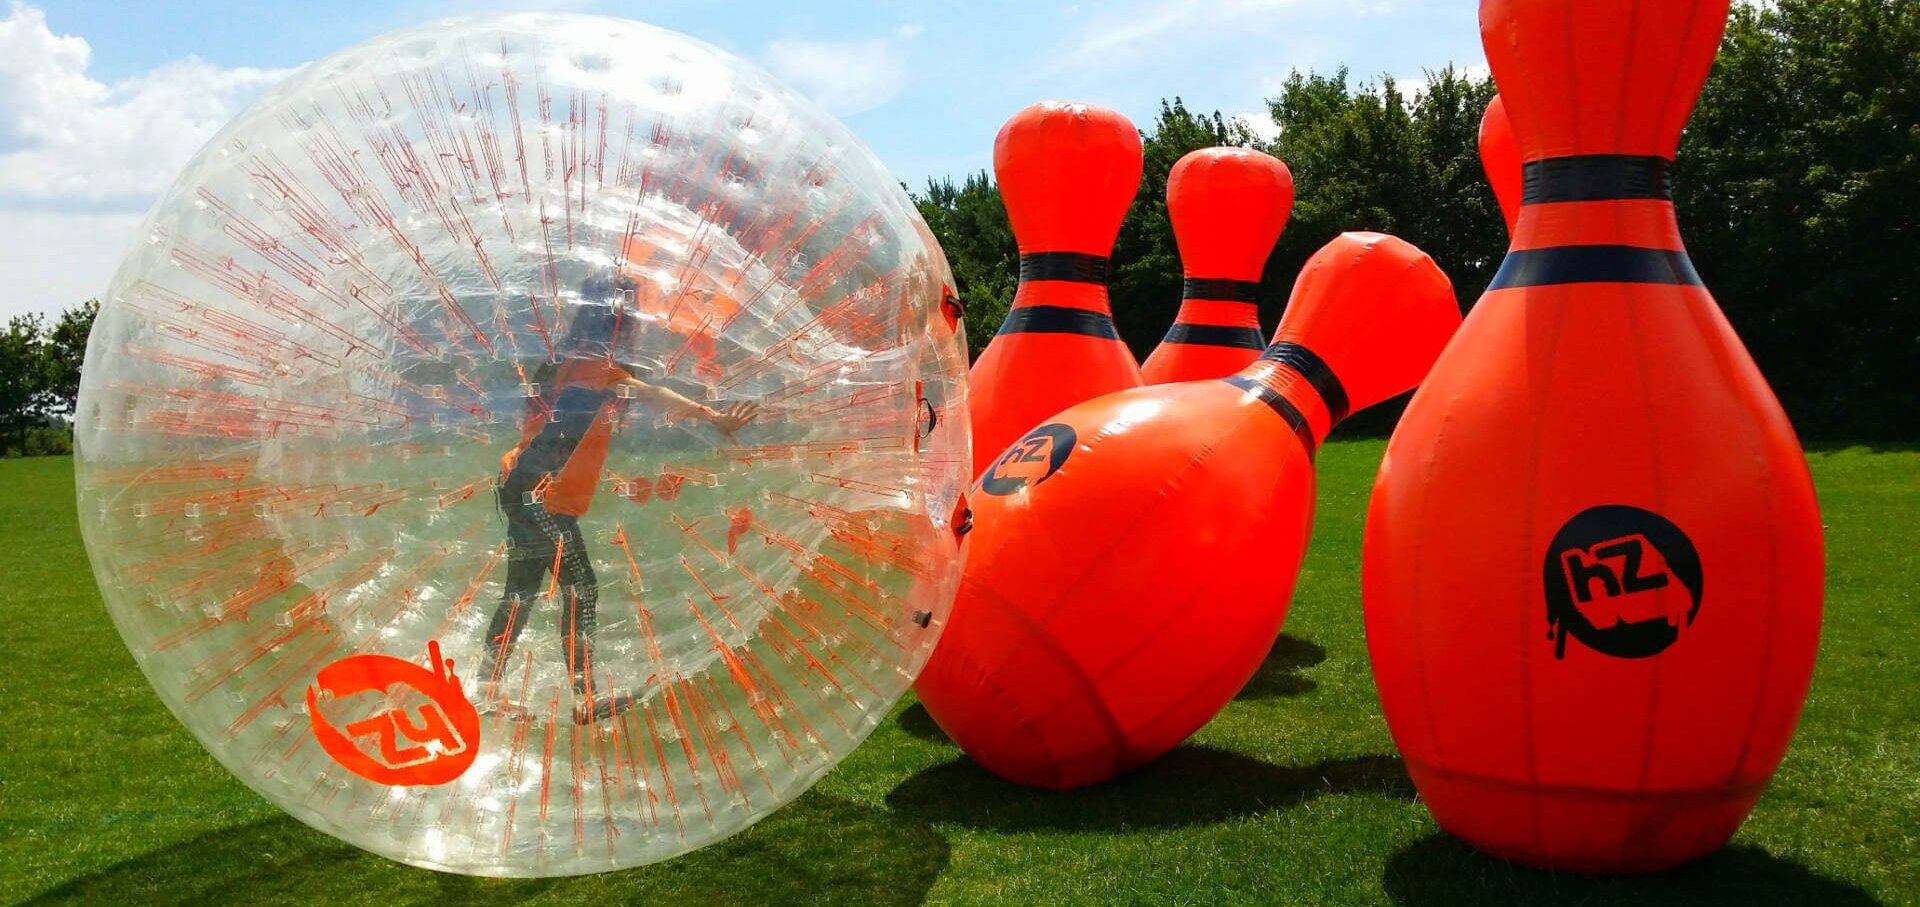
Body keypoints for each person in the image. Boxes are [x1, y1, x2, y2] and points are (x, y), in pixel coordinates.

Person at [479, 271, 757, 723]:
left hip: (523, 488)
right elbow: (653, 394)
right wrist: (713, 417)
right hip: (540, 496)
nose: (636, 323)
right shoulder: (594, 369)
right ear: (617, 320)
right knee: (580, 586)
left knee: (522, 591)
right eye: (629, 313)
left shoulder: (571, 362)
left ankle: (487, 693)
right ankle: (583, 700)